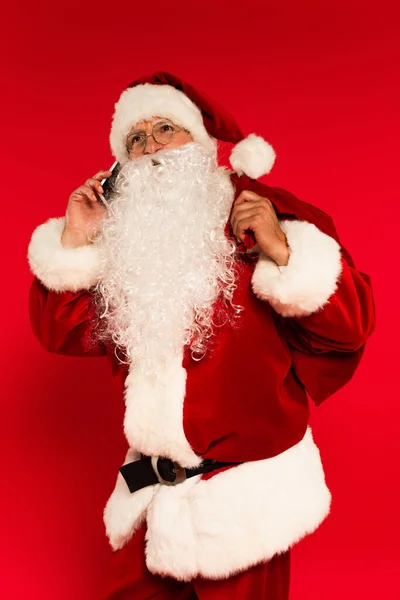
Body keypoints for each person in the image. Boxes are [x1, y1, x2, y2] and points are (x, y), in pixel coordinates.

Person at [27, 72, 375, 599]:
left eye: (166, 127)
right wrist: (76, 236)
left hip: (243, 508)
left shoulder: (263, 212)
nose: (150, 147)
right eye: (135, 139)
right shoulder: (127, 240)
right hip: (151, 499)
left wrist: (283, 251)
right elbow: (61, 332)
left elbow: (351, 325)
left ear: (202, 142)